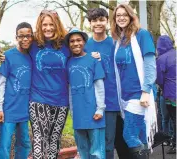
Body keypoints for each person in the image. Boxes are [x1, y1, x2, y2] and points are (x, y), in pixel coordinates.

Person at [111, 4, 157, 159]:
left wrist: (146, 91)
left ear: (131, 16)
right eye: (118, 15)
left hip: (139, 94)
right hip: (124, 96)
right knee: (141, 136)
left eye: (125, 14)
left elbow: (150, 65)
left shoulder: (142, 35)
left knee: (129, 134)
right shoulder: (119, 40)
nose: (121, 18)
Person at [29, 10, 70, 158]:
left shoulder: (67, 45)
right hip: (38, 99)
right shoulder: (33, 44)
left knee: (54, 140)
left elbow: (81, 53)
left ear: (57, 25)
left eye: (51, 24)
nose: (48, 28)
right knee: (40, 138)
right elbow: (18, 50)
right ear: (40, 26)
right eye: (44, 24)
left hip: (61, 101)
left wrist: (94, 55)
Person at [84, 8, 124, 159]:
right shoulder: (84, 46)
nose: (98, 23)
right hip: (90, 102)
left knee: (108, 143)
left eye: (101, 20)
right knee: (93, 143)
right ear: (90, 23)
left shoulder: (116, 43)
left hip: (111, 101)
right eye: (94, 20)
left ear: (107, 22)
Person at [65, 28, 106, 159]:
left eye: (79, 40)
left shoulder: (93, 60)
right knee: (83, 152)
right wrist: (72, 110)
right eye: (72, 41)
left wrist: (100, 109)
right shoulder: (68, 63)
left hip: (94, 112)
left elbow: (99, 86)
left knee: (97, 152)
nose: (75, 43)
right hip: (78, 114)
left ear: (84, 42)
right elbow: (70, 89)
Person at [0, 22, 32, 159]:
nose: (25, 39)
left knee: (25, 143)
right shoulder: (8, 55)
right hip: (9, 109)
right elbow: (1, 83)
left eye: (28, 36)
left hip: (25, 109)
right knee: (5, 145)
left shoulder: (32, 55)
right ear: (16, 37)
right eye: (21, 36)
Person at [156, 35, 176, 154]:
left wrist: (164, 88)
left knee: (174, 119)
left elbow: (159, 79)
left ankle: (175, 145)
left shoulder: (161, 59)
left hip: (171, 94)